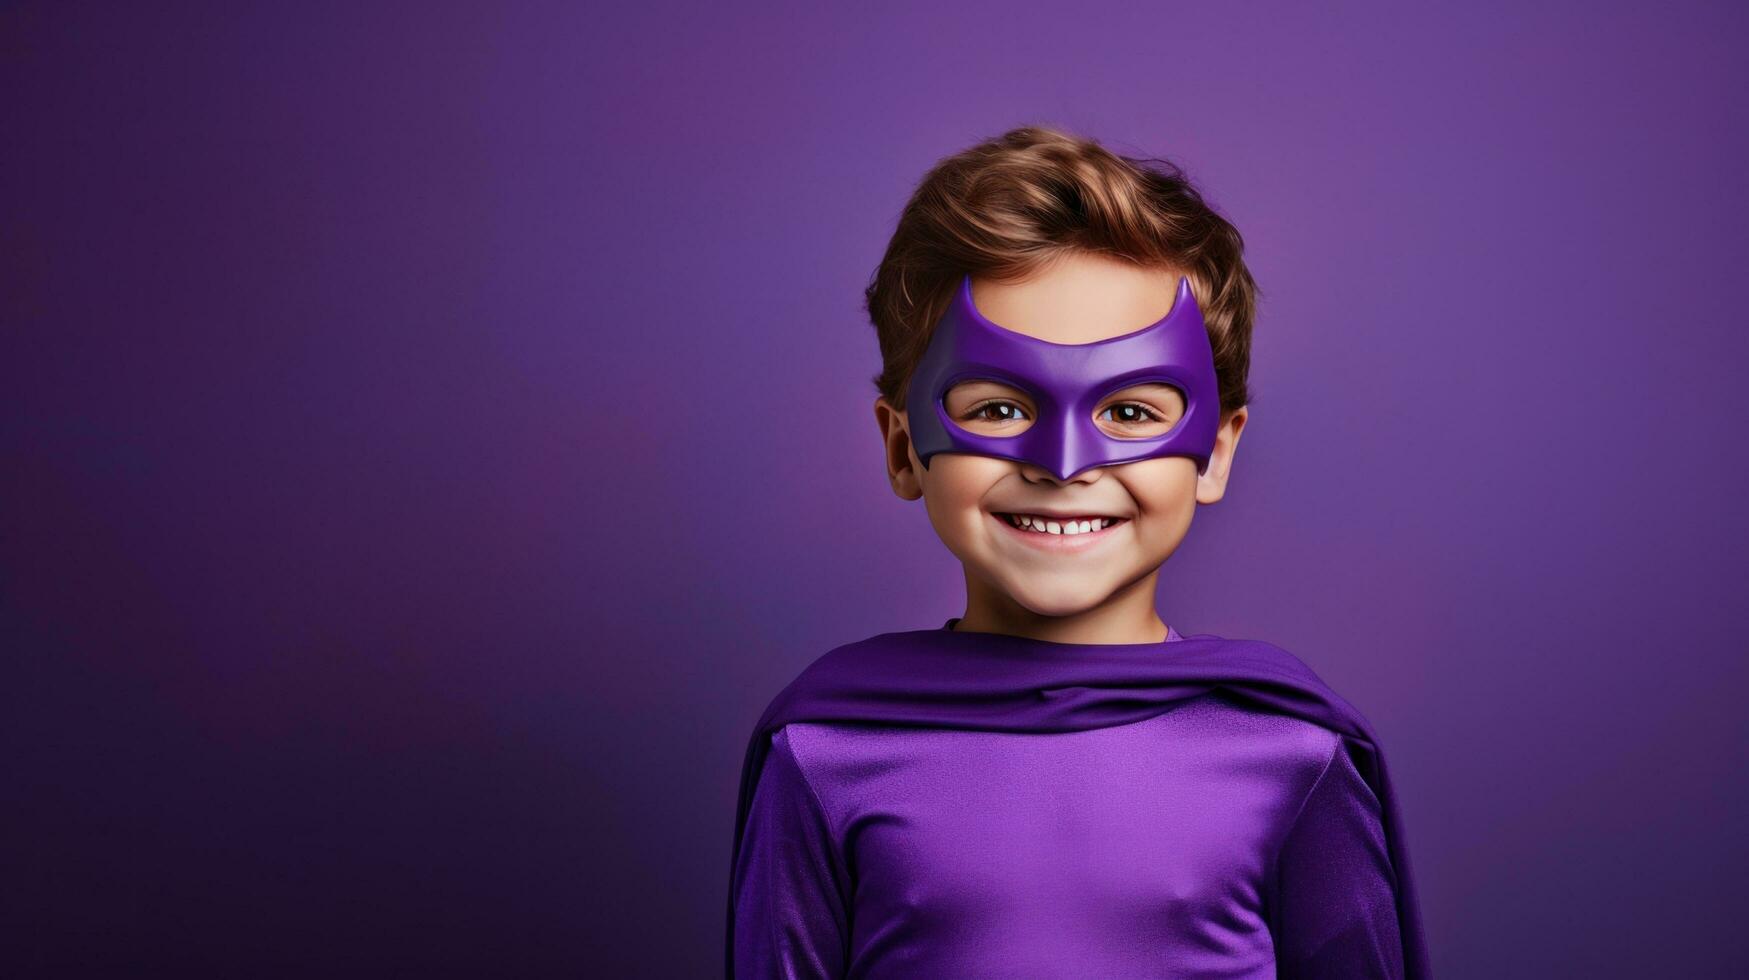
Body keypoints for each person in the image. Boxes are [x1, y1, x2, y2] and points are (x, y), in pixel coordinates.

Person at [725, 125, 1430, 979]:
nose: (1063, 466)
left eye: (1130, 414)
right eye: (995, 409)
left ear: (1214, 453)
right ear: (903, 449)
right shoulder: (825, 747)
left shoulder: (1291, 751)